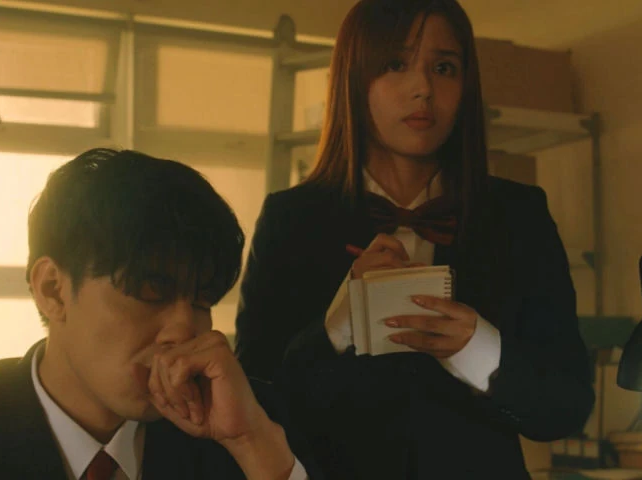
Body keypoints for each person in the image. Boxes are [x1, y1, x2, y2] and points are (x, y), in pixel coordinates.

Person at [234, 0, 594, 478]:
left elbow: (567, 406)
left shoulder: (517, 215)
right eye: (395, 64)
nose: (423, 88)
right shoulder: (292, 220)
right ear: (354, 79)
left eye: (444, 68)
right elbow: (252, 405)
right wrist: (336, 329)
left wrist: (477, 347)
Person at [0, 148, 320, 480]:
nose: (184, 329)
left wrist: (254, 448)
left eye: (202, 300)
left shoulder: (245, 427)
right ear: (52, 290)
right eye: (150, 292)